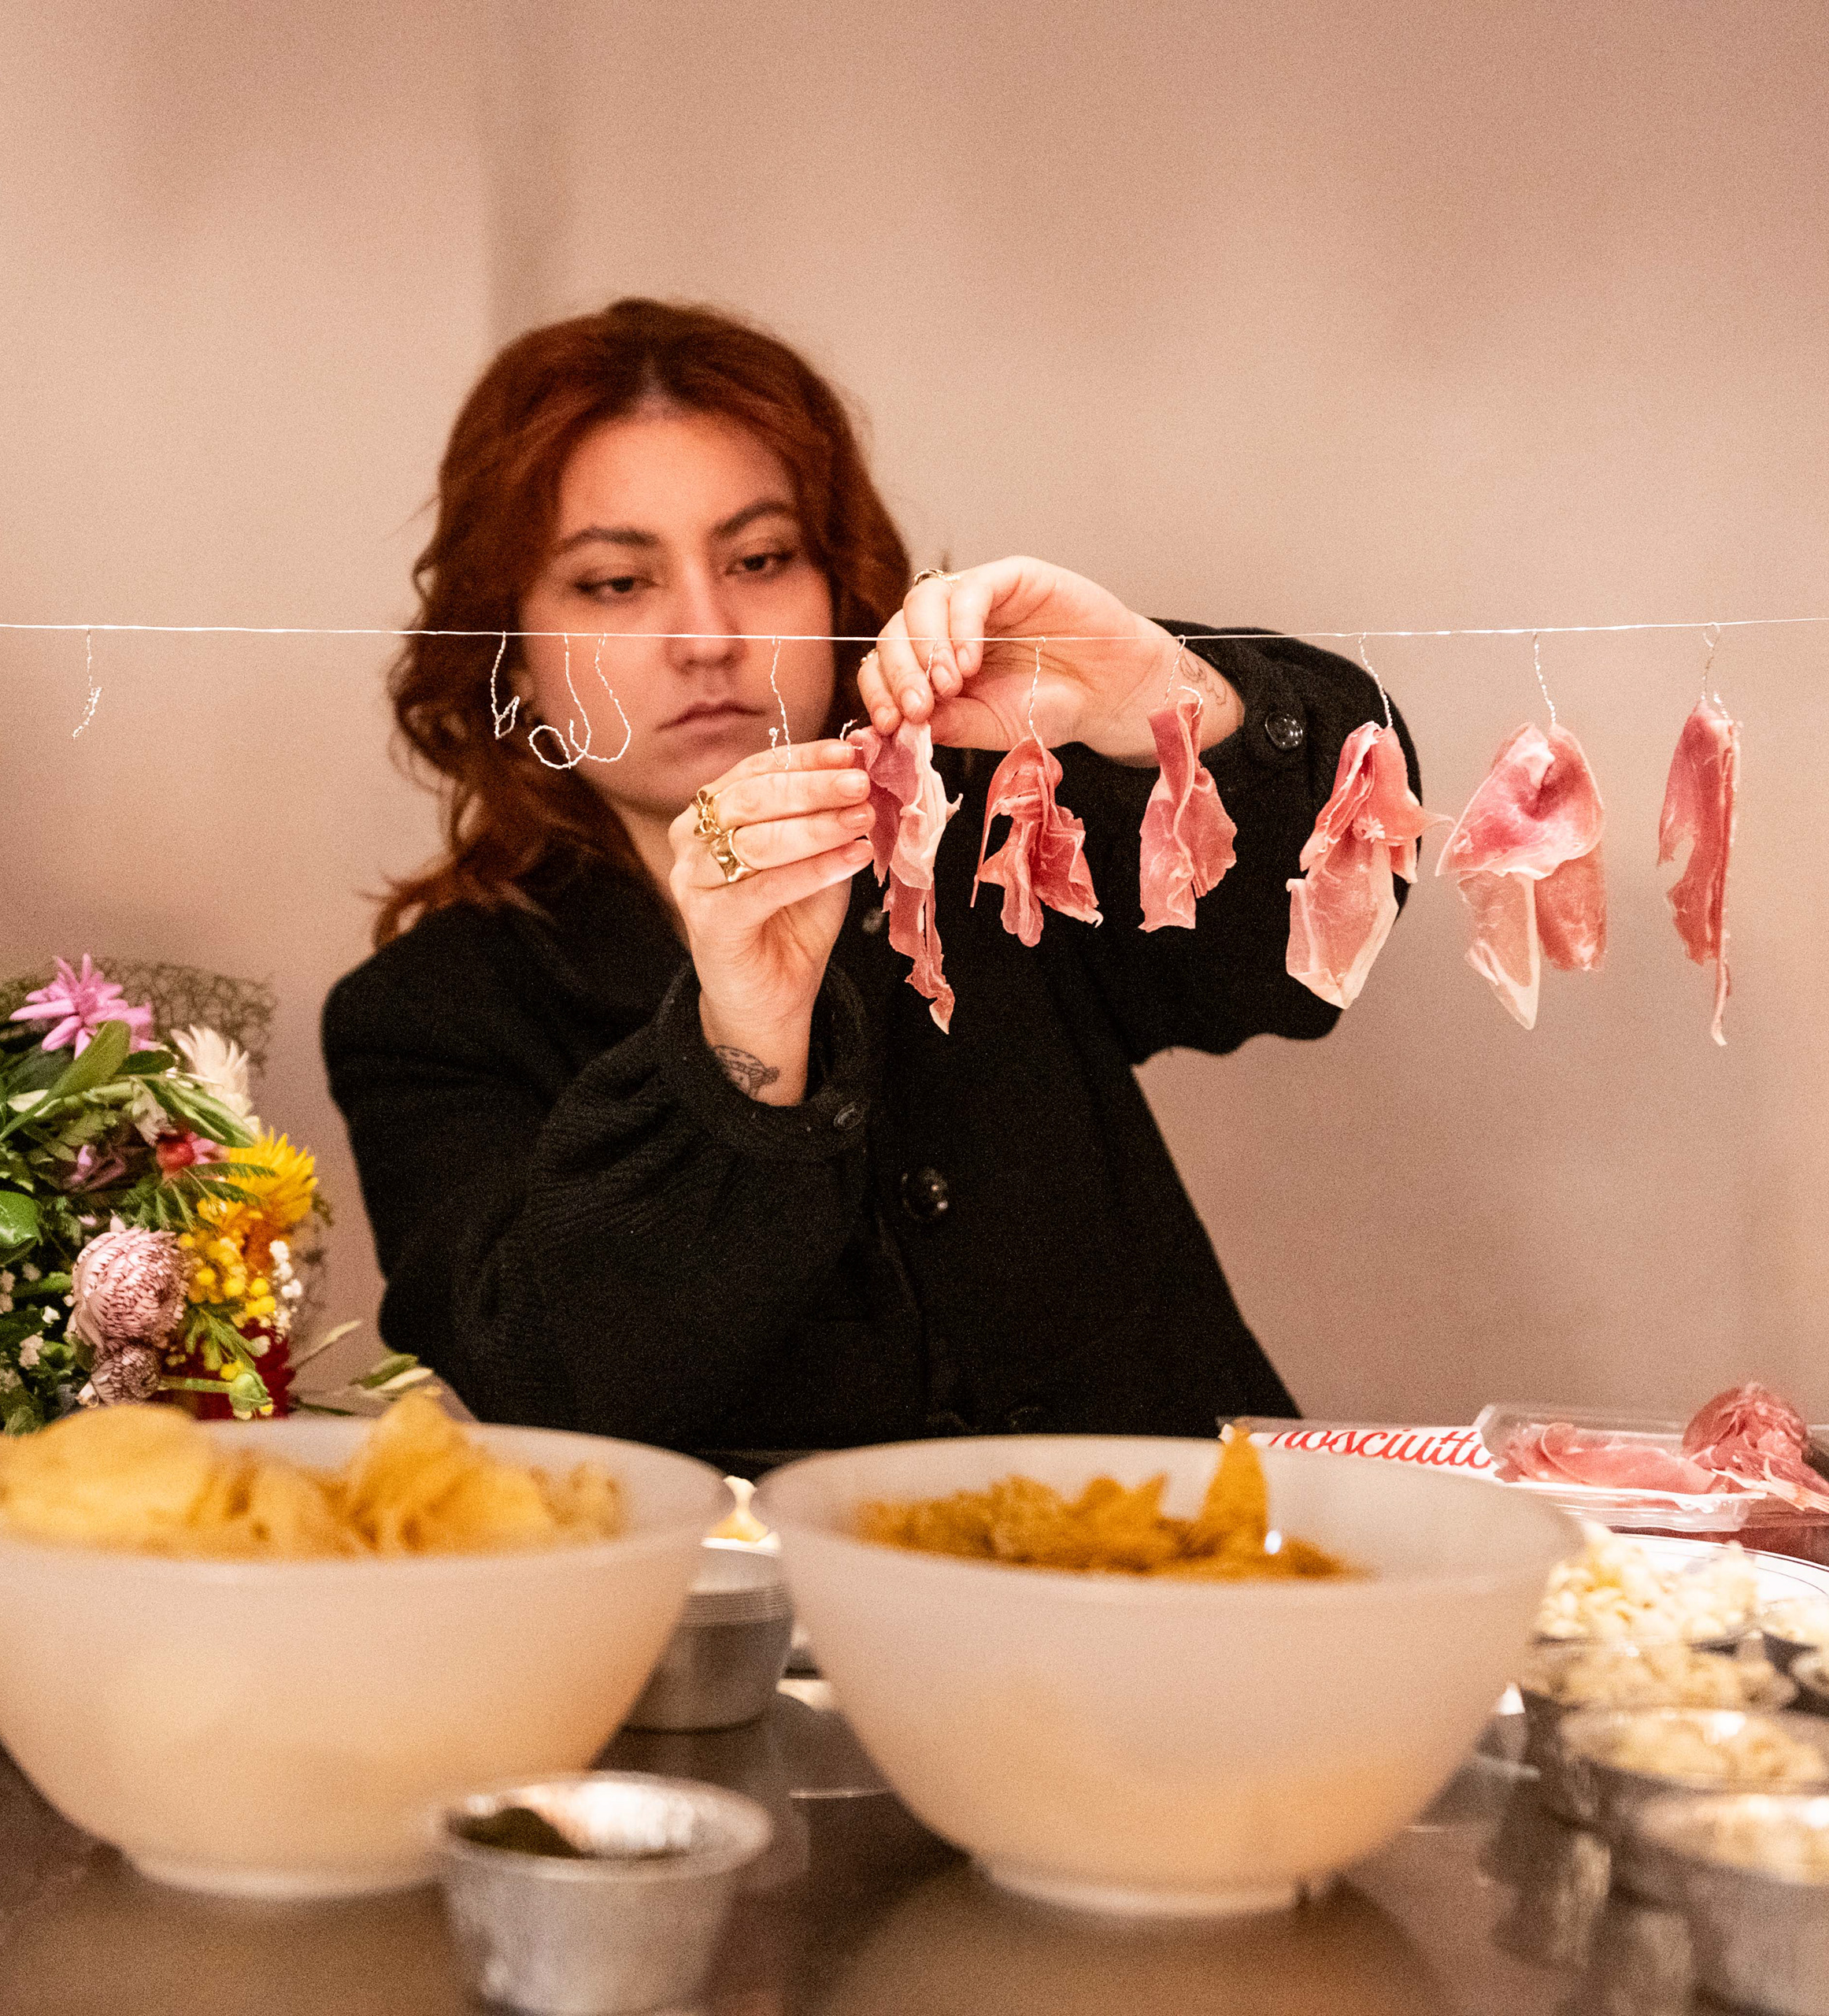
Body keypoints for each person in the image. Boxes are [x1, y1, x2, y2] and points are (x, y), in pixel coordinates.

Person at [322, 299, 1416, 1469]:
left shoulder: (993, 824)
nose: (708, 637)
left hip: (1175, 1547)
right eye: (615, 583)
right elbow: (552, 1387)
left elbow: (1302, 947)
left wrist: (1163, 700)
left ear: (840, 591)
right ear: (509, 652)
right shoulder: (430, 1016)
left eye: (759, 561)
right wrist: (741, 1042)